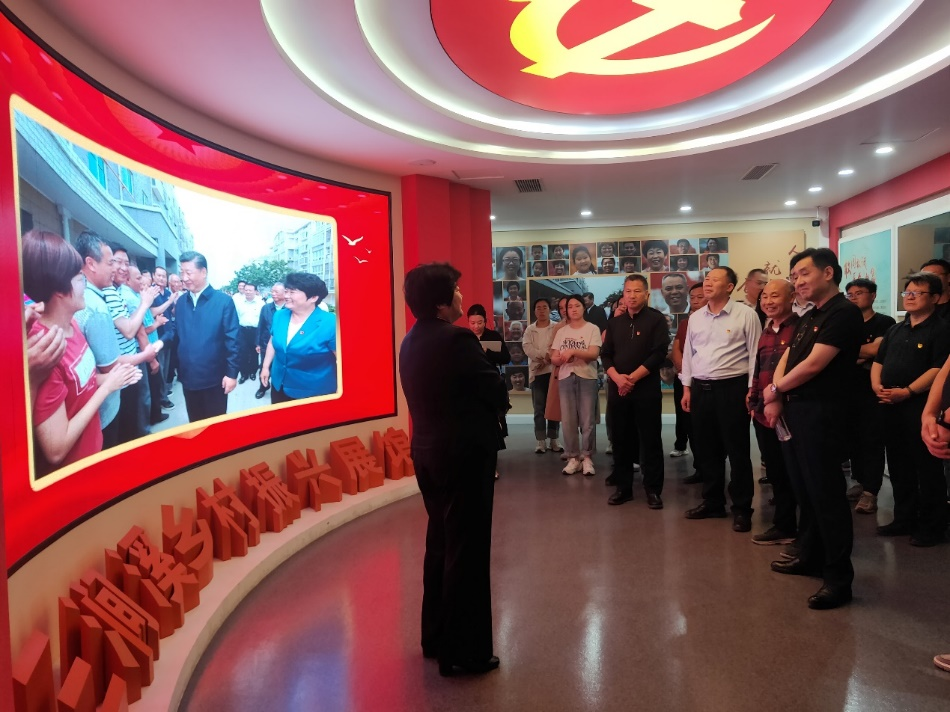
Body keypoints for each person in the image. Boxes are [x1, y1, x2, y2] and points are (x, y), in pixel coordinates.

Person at [399, 262, 507, 677]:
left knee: (441, 544)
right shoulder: (458, 338)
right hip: (464, 455)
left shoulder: (411, 340)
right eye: (457, 290)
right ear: (442, 302)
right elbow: (494, 389)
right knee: (467, 551)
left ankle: (436, 637)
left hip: (429, 453)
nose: (462, 296)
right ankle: (464, 653)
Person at [763, 248, 862, 610]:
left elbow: (815, 364)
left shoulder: (843, 312)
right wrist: (775, 392)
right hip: (796, 410)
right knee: (804, 490)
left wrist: (775, 388)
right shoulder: (809, 316)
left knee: (826, 495)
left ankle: (838, 578)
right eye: (795, 276)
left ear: (829, 273)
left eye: (804, 273)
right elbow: (789, 358)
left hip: (823, 413)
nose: (799, 282)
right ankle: (809, 556)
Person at [21, 231, 140, 476]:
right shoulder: (46, 349)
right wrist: (107, 388)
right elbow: (56, 448)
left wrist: (114, 378)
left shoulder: (71, 324)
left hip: (93, 450)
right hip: (75, 472)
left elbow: (83, 381)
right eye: (78, 277)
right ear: (59, 290)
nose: (84, 284)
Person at [871, 272, 950, 546]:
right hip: (889, 405)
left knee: (926, 467)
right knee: (898, 464)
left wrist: (908, 391)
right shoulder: (896, 329)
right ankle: (904, 518)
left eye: (918, 292)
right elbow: (878, 361)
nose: (911, 297)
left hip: (920, 405)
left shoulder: (942, 330)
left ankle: (932, 526)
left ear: (936, 298)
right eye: (907, 292)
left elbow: (939, 370)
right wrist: (877, 386)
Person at [681, 267, 762, 533]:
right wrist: (687, 388)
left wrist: (752, 390)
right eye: (706, 279)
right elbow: (689, 355)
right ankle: (713, 502)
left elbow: (755, 355)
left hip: (733, 388)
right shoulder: (696, 317)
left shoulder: (746, 315)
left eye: (715, 279)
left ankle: (742, 508)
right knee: (706, 450)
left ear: (729, 287)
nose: (707, 283)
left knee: (737, 451)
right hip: (701, 389)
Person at [601, 275, 669, 507]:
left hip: (646, 391)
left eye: (637, 291)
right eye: (628, 291)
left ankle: (653, 489)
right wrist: (617, 378)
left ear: (646, 294)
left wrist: (632, 378)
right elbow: (606, 354)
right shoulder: (615, 323)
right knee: (620, 440)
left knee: (650, 440)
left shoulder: (656, 320)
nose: (631, 296)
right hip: (618, 390)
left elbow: (659, 353)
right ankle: (624, 488)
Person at [747, 280, 800, 545]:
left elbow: (798, 371)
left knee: (794, 471)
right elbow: (759, 367)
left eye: (774, 296)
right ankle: (784, 526)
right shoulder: (767, 330)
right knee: (776, 471)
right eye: (764, 296)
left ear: (792, 297)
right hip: (762, 412)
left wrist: (777, 397)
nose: (768, 301)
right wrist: (753, 397)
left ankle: (795, 528)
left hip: (789, 410)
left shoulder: (800, 328)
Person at [843, 278, 895, 513]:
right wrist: (860, 355)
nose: (853, 297)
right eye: (850, 294)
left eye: (859, 293)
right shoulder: (845, 322)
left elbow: (876, 349)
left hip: (871, 391)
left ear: (873, 295)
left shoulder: (884, 322)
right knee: (852, 438)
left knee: (871, 439)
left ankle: (871, 491)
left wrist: (849, 353)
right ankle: (860, 481)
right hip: (846, 390)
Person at [176, 251, 240, 421]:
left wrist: (232, 374)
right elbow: (177, 334)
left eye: (188, 272)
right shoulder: (181, 302)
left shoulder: (223, 302)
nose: (184, 278)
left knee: (215, 424)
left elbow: (233, 339)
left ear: (203, 272)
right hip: (188, 377)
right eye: (182, 272)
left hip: (214, 379)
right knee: (195, 422)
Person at [107, 247, 159, 443]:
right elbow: (133, 330)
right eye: (116, 262)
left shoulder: (117, 291)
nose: (123, 268)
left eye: (126, 263)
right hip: (123, 364)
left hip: (129, 360)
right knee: (133, 408)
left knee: (133, 407)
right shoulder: (111, 292)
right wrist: (145, 303)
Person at [260, 272, 337, 402]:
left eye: (292, 292)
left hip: (313, 391)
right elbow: (273, 342)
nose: (286, 296)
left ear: (313, 297)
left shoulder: (331, 323)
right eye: (286, 291)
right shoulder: (280, 315)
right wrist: (265, 367)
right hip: (279, 385)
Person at [551, 295, 602, 476]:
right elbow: (554, 357)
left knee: (587, 420)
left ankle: (587, 457)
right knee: (568, 420)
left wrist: (573, 351)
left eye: (577, 306)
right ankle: (573, 457)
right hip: (565, 377)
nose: (573, 309)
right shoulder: (561, 331)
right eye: (569, 306)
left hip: (587, 376)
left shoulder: (592, 329)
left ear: (583, 308)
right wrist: (560, 358)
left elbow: (593, 354)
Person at [671, 283, 707, 469]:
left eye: (700, 297)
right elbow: (676, 348)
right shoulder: (686, 323)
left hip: (705, 380)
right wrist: (684, 371)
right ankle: (699, 466)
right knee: (688, 422)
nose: (695, 301)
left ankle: (709, 467)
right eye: (692, 297)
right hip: (684, 379)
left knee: (706, 426)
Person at [522, 298, 560, 453]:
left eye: (545, 307)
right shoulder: (529, 329)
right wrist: (543, 358)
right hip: (537, 372)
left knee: (553, 407)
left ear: (549, 310)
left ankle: (554, 439)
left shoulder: (556, 327)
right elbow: (527, 348)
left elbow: (557, 346)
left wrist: (547, 359)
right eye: (538, 308)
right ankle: (541, 440)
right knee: (539, 408)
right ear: (534, 311)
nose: (542, 310)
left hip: (553, 372)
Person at [255, 282, 285, 399]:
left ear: (285, 293)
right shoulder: (266, 308)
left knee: (279, 370)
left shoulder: (289, 308)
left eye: (276, 292)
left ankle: (278, 389)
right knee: (264, 366)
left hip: (282, 346)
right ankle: (263, 387)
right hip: (265, 344)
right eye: (272, 291)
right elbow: (260, 326)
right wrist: (257, 343)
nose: (273, 294)